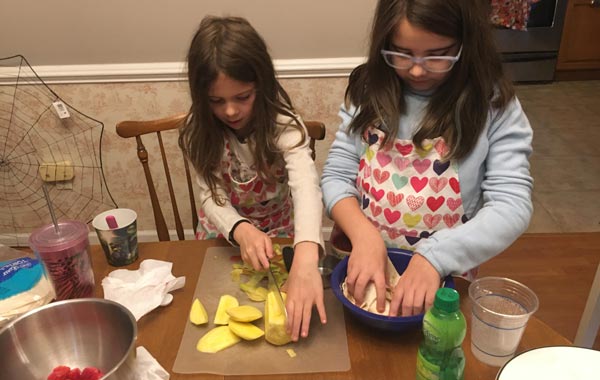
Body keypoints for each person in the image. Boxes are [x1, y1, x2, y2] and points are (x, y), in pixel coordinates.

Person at [321, 0, 533, 318]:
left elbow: (512, 206)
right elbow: (336, 175)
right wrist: (363, 235)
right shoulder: (369, 92)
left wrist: (435, 256)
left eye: (437, 55)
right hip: (369, 270)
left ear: (466, 43)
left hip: (447, 281)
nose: (417, 70)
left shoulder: (492, 105)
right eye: (401, 53)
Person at [178, 16, 326, 340]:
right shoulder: (197, 133)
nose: (230, 111)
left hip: (280, 231)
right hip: (222, 235)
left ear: (262, 85)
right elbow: (209, 196)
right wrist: (241, 230)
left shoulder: (284, 125)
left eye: (242, 97)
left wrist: (305, 252)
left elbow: (305, 186)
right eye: (216, 101)